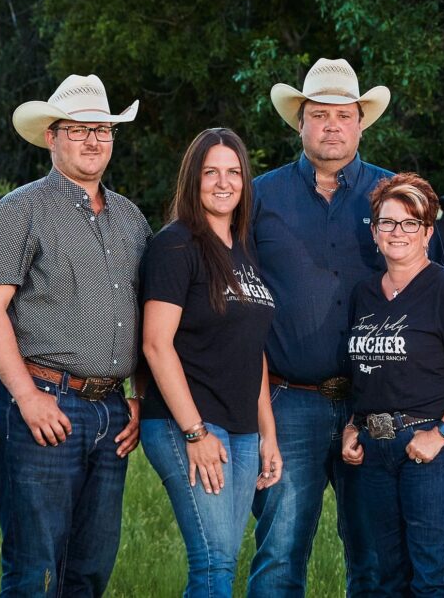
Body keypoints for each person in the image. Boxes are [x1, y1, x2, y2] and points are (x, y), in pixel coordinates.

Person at [249, 57, 442, 596]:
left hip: (378, 402)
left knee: (376, 555)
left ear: (361, 123)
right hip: (290, 400)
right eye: (319, 114)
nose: (331, 125)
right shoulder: (260, 196)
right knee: (280, 551)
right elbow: (238, 297)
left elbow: (433, 296)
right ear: (301, 122)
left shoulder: (396, 196)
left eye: (343, 115)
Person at [0, 74, 151, 596]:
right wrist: (25, 398)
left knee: (90, 568)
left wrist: (138, 397)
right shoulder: (18, 212)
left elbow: (142, 314)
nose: (93, 141)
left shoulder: (131, 221)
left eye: (103, 130)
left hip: (112, 410)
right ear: (51, 136)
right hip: (44, 402)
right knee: (35, 567)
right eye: (79, 130)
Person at [137, 128, 282, 597]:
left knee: (222, 560)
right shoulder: (175, 246)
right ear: (192, 180)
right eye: (210, 172)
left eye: (234, 172)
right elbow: (156, 345)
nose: (223, 183)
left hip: (241, 429)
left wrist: (268, 435)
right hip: (193, 425)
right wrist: (195, 432)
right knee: (213, 562)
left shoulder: (244, 250)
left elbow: (252, 348)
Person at [341, 173, 444, 597]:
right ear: (373, 232)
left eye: (410, 223)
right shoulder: (364, 294)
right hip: (374, 450)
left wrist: (442, 433)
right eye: (387, 223)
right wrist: (354, 425)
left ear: (428, 232)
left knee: (431, 577)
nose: (398, 232)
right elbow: (363, 371)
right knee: (388, 574)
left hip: (428, 446)